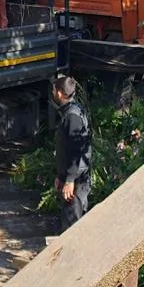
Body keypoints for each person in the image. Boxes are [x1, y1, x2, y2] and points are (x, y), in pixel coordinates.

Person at [52, 73, 93, 231]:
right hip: (73, 178)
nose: (52, 93)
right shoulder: (72, 111)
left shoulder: (72, 117)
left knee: (72, 227)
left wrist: (69, 180)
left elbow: (77, 150)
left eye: (54, 90)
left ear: (59, 93)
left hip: (76, 182)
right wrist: (61, 176)